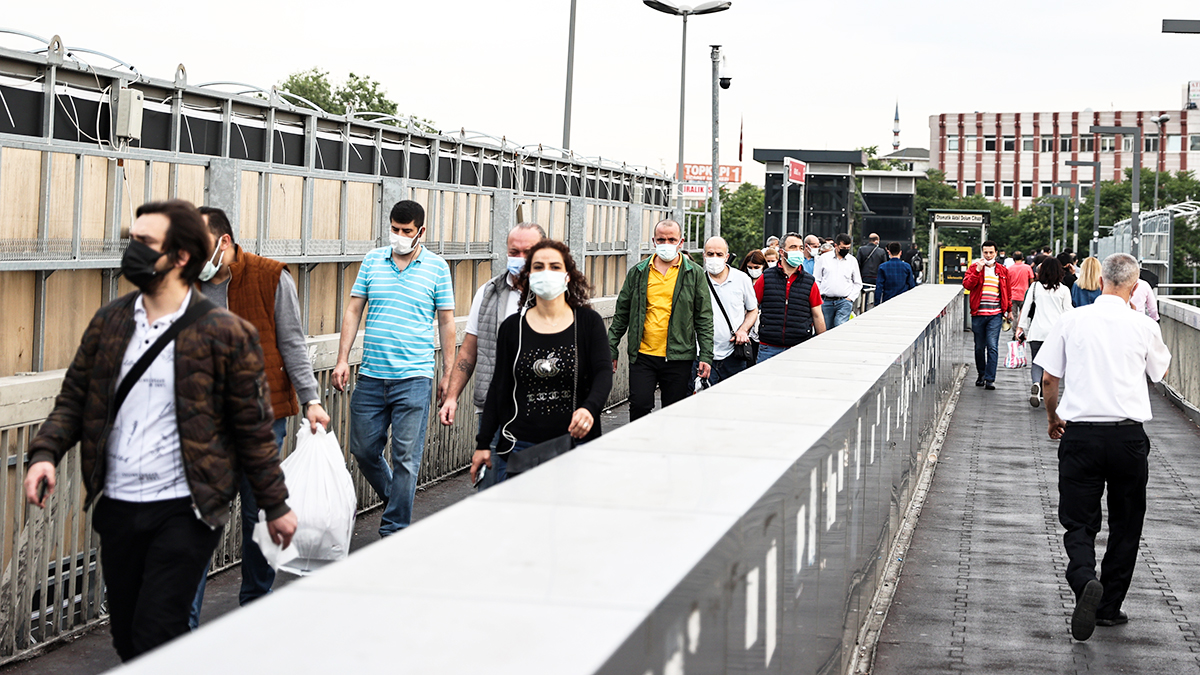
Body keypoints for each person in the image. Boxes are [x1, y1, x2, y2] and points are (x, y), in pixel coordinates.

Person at [22, 200, 296, 662]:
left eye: (144, 243)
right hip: (119, 505)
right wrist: (45, 452)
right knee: (128, 635)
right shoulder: (110, 322)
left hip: (185, 508)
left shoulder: (225, 335)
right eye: (132, 240)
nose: (132, 251)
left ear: (182, 256)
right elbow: (74, 399)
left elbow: (253, 429)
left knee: (157, 630)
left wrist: (275, 504)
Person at [189, 207, 330, 626]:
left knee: (258, 516)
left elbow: (291, 342)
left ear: (224, 243)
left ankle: (256, 605)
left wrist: (311, 399)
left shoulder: (271, 277)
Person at [1035, 253, 1171, 642]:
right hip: (1128, 438)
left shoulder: (1072, 320)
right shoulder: (1143, 325)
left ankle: (1083, 581)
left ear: (1100, 282)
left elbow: (1048, 380)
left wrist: (1053, 418)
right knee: (1126, 524)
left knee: (1079, 521)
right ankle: (1108, 608)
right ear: (1133, 287)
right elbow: (1160, 375)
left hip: (1081, 436)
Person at [332, 200, 456, 537]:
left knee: (405, 457)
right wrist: (343, 359)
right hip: (372, 375)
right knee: (363, 449)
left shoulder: (437, 268)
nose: (399, 236)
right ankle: (395, 499)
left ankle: (394, 529)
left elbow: (446, 323)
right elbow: (353, 310)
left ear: (421, 232)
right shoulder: (373, 261)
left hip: (414, 377)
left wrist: (448, 374)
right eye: (395, 230)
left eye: (407, 231)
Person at [471, 240, 612, 486]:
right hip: (520, 448)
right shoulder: (512, 328)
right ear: (528, 275)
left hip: (574, 444)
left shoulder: (588, 322)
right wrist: (483, 444)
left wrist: (589, 408)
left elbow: (603, 372)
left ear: (568, 276)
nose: (547, 272)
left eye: (555, 267)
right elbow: (499, 387)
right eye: (539, 266)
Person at [437, 223, 545, 489]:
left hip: (540, 410)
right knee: (491, 488)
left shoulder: (555, 296)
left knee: (534, 489)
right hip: (494, 408)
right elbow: (469, 350)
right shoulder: (488, 293)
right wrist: (452, 396)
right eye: (514, 251)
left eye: (527, 252)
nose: (519, 258)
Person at [608, 220, 713, 421]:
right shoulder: (638, 272)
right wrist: (611, 347)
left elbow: (704, 317)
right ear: (654, 241)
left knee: (674, 412)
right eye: (662, 239)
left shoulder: (695, 273)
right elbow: (621, 313)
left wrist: (706, 355)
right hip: (643, 355)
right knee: (639, 406)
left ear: (680, 242)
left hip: (679, 357)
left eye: (672, 239)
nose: (667, 243)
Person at [755, 233, 826, 362]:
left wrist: (822, 344)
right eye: (793, 247)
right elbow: (752, 307)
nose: (798, 251)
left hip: (800, 347)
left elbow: (817, 314)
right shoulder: (766, 277)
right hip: (769, 347)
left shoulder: (809, 282)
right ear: (782, 252)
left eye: (800, 248)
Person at [700, 236, 758, 384]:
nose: (714, 258)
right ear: (704, 256)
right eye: (710, 254)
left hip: (734, 354)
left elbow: (752, 310)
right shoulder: (697, 280)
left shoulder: (741, 279)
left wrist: (743, 330)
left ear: (727, 256)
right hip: (703, 354)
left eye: (719, 254)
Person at [1016, 257, 1073, 408]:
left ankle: (1036, 383)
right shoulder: (1064, 290)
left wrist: (1020, 327)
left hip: (1037, 332)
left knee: (1036, 361)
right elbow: (1068, 312)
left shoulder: (1035, 287)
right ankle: (1046, 392)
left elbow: (1026, 308)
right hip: (1055, 333)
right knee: (1052, 365)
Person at [962, 240, 1011, 390]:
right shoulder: (974, 268)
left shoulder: (1003, 271)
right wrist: (977, 270)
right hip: (978, 313)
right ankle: (981, 374)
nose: (988, 255)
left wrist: (1008, 310)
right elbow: (967, 285)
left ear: (996, 253)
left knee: (992, 346)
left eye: (991, 252)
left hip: (995, 315)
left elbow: (1008, 292)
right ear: (982, 253)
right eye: (986, 252)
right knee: (979, 347)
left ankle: (990, 379)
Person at [814, 233, 862, 329]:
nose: (846, 250)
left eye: (848, 248)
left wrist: (850, 298)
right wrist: (819, 295)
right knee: (824, 329)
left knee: (839, 327)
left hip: (844, 301)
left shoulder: (852, 260)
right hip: (825, 301)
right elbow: (816, 279)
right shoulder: (824, 258)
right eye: (843, 248)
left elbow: (857, 282)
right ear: (836, 246)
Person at [856, 233, 888, 309]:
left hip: (865, 276)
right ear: (876, 241)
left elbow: (858, 263)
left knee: (864, 293)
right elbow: (884, 264)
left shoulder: (861, 249)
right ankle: (876, 307)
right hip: (877, 276)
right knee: (877, 293)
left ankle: (863, 308)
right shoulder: (881, 251)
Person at [1007, 251, 1036, 325]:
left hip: (1012, 295)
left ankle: (1015, 334)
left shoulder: (1009, 269)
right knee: (1023, 316)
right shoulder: (1028, 268)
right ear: (1023, 258)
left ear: (1013, 258)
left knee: (1013, 316)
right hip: (1024, 295)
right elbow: (1032, 281)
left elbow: (1007, 283)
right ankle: (1020, 333)